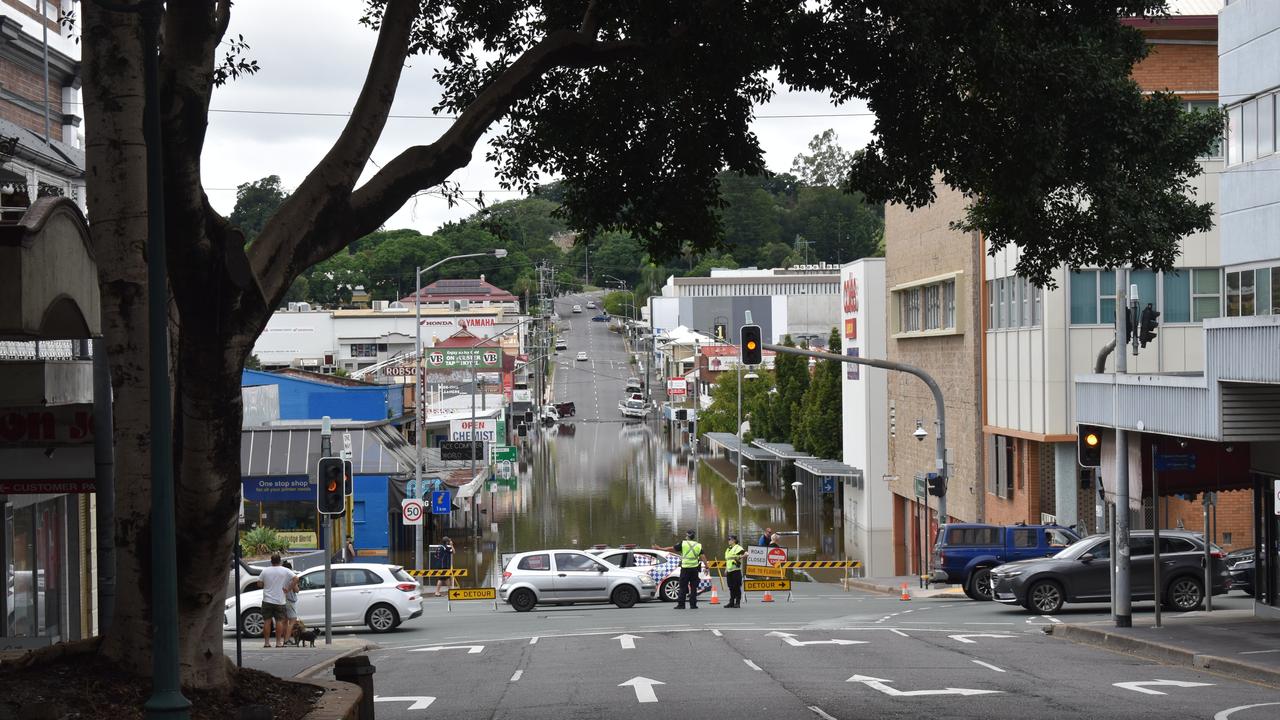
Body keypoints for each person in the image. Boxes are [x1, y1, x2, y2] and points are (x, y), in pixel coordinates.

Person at [654, 530, 706, 609]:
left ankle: (681, 605)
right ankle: (693, 605)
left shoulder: (683, 543)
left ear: (687, 536)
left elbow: (671, 548)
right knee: (693, 587)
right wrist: (707, 566)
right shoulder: (698, 545)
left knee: (683, 587)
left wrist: (660, 548)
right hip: (694, 569)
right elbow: (703, 557)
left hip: (685, 569)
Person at [258, 553, 294, 648]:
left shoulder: (265, 571)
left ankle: (266, 643)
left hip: (267, 600)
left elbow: (259, 584)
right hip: (280, 601)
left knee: (267, 621)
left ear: (271, 561)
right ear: (280, 561)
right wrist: (288, 589)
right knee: (279, 621)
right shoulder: (285, 570)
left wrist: (266, 584)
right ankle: (278, 643)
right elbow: (296, 578)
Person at [723, 534, 746, 609]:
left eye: (730, 539)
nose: (728, 541)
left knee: (736, 587)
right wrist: (726, 569)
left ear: (734, 540)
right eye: (728, 539)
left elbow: (746, 554)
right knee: (731, 587)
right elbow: (727, 560)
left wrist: (739, 557)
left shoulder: (738, 547)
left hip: (736, 570)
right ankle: (731, 602)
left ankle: (737, 603)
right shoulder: (728, 549)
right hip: (729, 570)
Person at [281, 560, 299, 644]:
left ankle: (284, 638)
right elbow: (296, 590)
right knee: (292, 621)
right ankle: (287, 639)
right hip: (290, 601)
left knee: (284, 621)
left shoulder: (280, 577)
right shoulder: (291, 578)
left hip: (282, 600)